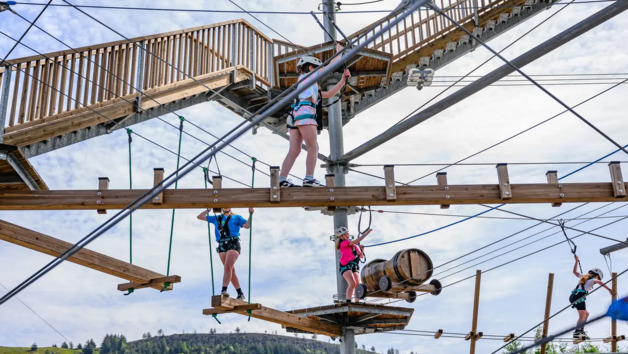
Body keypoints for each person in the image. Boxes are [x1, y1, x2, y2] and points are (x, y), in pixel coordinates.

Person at [279, 44, 351, 187]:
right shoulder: (309, 76)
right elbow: (331, 64)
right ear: (311, 68)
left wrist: (343, 80)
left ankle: (281, 179)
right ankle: (309, 178)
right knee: (313, 147)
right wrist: (339, 52)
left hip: (295, 115)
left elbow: (330, 94)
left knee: (295, 150)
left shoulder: (306, 86)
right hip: (305, 114)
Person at [197, 207, 254, 300]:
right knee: (230, 269)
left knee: (227, 267)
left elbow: (247, 225)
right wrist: (208, 209)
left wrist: (251, 214)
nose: (226, 206)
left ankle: (224, 290)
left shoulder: (236, 217)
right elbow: (199, 216)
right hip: (222, 244)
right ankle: (240, 293)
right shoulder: (216, 218)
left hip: (233, 242)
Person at [569, 254, 611, 339]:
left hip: (573, 296)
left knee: (586, 314)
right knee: (582, 316)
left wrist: (576, 261)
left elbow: (574, 272)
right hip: (579, 297)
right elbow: (599, 282)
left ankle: (581, 331)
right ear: (597, 276)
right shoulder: (593, 279)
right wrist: (610, 290)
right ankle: (577, 333)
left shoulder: (583, 276)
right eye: (598, 278)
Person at [335, 226, 372, 303]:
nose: (347, 235)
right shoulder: (343, 243)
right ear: (341, 237)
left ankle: (357, 301)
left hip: (354, 265)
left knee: (358, 284)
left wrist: (362, 250)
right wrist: (366, 234)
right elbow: (354, 241)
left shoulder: (355, 246)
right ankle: (348, 301)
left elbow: (361, 256)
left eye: (347, 234)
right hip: (345, 265)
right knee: (352, 283)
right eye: (345, 234)